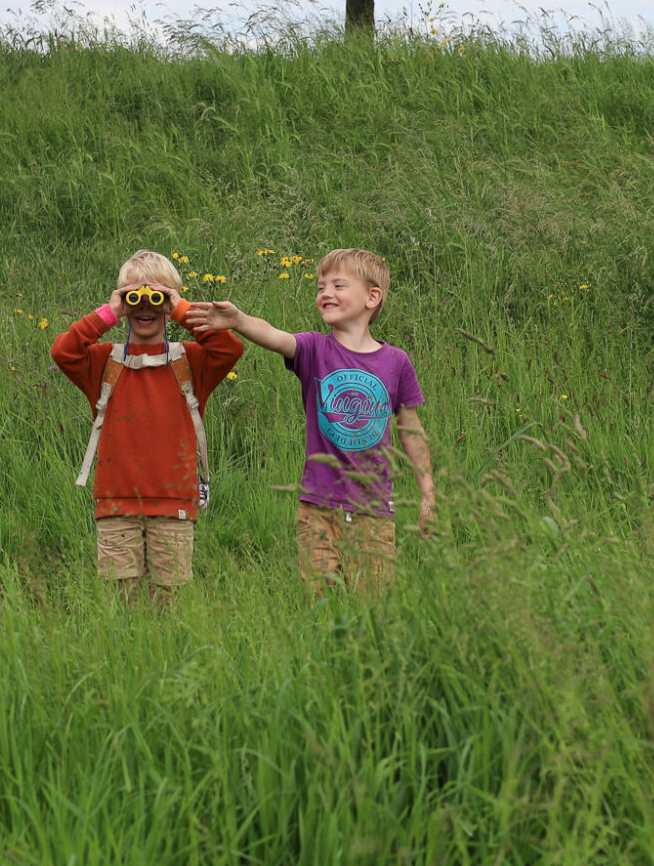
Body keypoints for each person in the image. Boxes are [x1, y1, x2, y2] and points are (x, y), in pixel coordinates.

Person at [187, 248, 433, 594]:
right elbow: (274, 335)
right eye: (320, 287)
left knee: (373, 606)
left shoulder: (396, 361)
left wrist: (427, 494)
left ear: (372, 297)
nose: (325, 293)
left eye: (338, 285)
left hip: (375, 512)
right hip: (318, 508)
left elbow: (412, 431)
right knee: (320, 603)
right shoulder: (314, 349)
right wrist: (239, 320)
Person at [52, 249, 244, 604]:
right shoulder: (103, 361)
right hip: (116, 506)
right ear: (122, 303)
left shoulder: (189, 360)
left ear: (170, 303)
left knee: (167, 605)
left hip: (174, 507)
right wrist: (109, 313)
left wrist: (181, 309)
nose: (146, 306)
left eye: (158, 297)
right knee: (122, 602)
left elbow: (229, 350)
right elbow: (63, 352)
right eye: (134, 298)